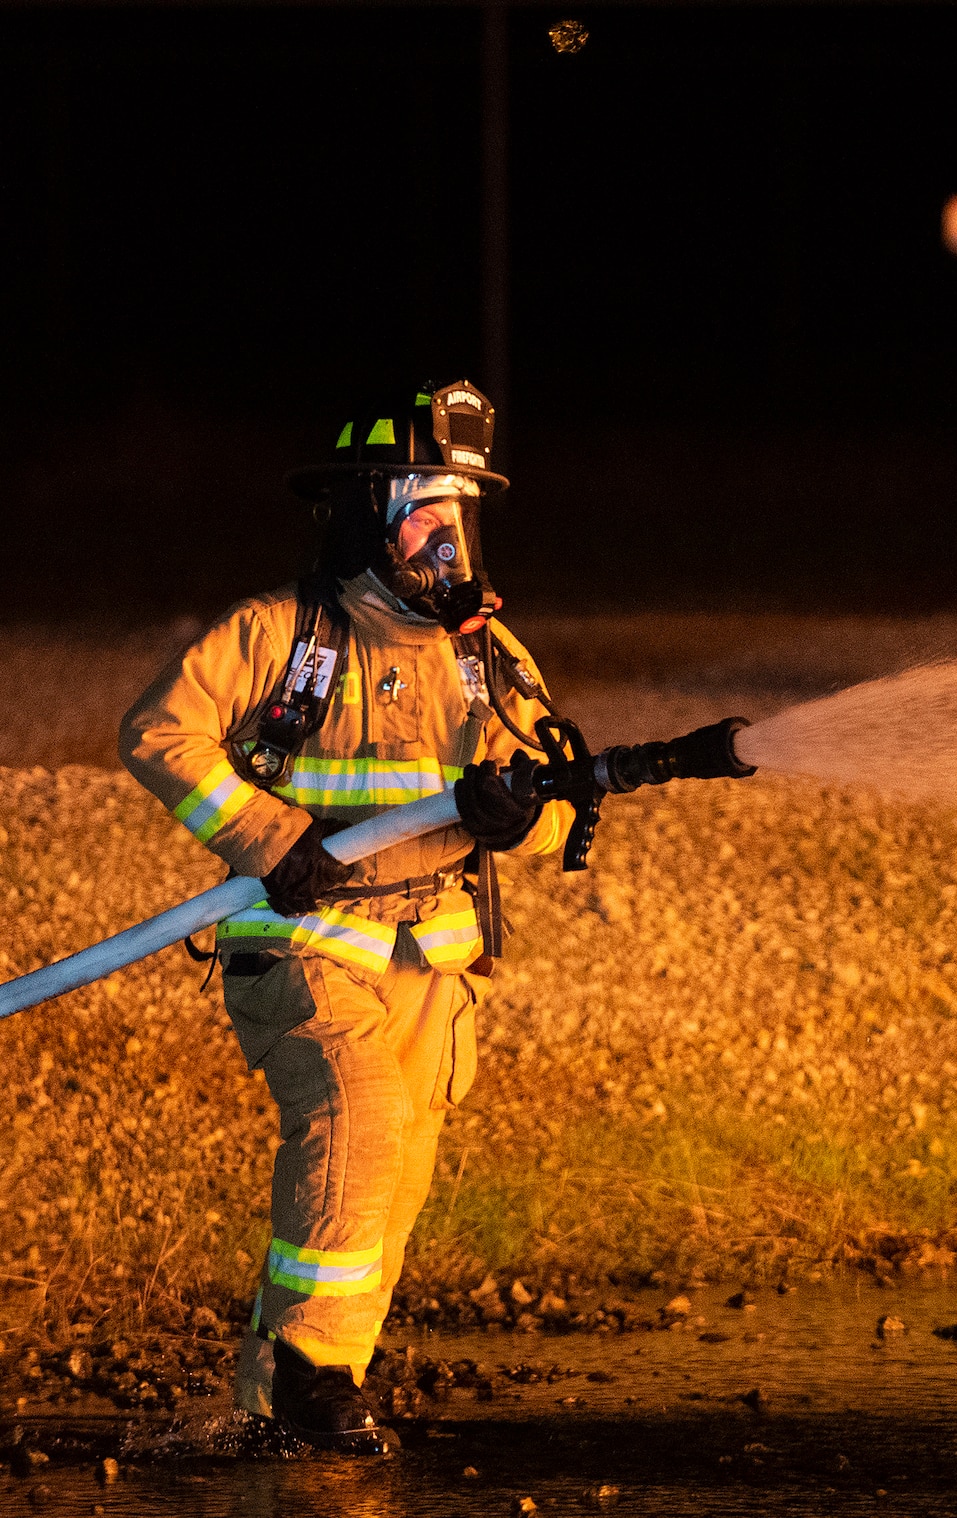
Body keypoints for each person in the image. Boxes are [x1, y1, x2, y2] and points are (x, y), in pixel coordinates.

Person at [120, 382, 572, 1453]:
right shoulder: (282, 635)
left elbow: (558, 809)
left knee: (385, 1188)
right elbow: (159, 733)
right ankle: (316, 1368)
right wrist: (273, 842)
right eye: (422, 505)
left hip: (430, 963)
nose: (444, 532)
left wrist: (521, 819)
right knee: (353, 1123)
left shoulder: (489, 660)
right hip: (304, 945)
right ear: (366, 508)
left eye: (456, 511)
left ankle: (278, 1414)